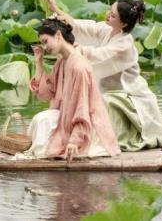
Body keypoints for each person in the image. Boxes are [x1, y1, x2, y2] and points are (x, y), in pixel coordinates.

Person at [41, 0, 162, 151]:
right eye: (109, 11)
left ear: (124, 23)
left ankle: (102, 140)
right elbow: (80, 27)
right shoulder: (107, 30)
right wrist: (54, 8)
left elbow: (99, 55)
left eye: (113, 16)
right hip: (107, 90)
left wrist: (70, 49)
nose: (108, 16)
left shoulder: (124, 44)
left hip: (128, 93)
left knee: (100, 103)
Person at [25, 18, 121, 161]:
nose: (44, 47)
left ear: (58, 35)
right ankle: (46, 149)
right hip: (67, 117)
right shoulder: (62, 61)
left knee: (43, 120)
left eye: (45, 41)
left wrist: (74, 141)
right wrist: (39, 61)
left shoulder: (79, 66)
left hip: (88, 127)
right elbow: (46, 93)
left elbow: (83, 108)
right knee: (41, 119)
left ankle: (50, 151)